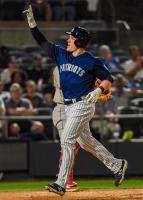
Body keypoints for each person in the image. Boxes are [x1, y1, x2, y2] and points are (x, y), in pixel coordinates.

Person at [23, 5, 128, 196]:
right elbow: (42, 42)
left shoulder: (91, 60)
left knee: (67, 139)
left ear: (79, 41)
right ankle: (116, 165)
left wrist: (99, 91)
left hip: (83, 104)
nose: (68, 39)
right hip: (69, 106)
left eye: (71, 37)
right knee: (87, 143)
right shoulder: (62, 54)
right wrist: (32, 25)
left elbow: (108, 79)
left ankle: (61, 183)